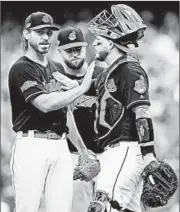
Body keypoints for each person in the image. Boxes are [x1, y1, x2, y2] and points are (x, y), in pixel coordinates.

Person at [8, 11, 95, 212]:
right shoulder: (21, 69)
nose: (46, 37)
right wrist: (80, 89)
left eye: (49, 32)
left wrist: (81, 150)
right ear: (27, 34)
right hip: (31, 145)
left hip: (60, 145)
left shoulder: (57, 68)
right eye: (40, 32)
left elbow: (66, 113)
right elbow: (45, 104)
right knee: (27, 208)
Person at [86, 4, 158, 212]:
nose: (94, 44)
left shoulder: (129, 69)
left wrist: (149, 154)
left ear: (111, 44)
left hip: (125, 150)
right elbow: (93, 89)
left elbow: (142, 112)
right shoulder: (113, 71)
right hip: (115, 153)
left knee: (102, 207)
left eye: (98, 40)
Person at [52, 26, 104, 212]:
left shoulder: (100, 73)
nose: (74, 54)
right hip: (74, 156)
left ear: (85, 48)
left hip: (105, 154)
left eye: (78, 49)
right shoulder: (56, 78)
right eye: (69, 50)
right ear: (59, 51)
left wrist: (82, 89)